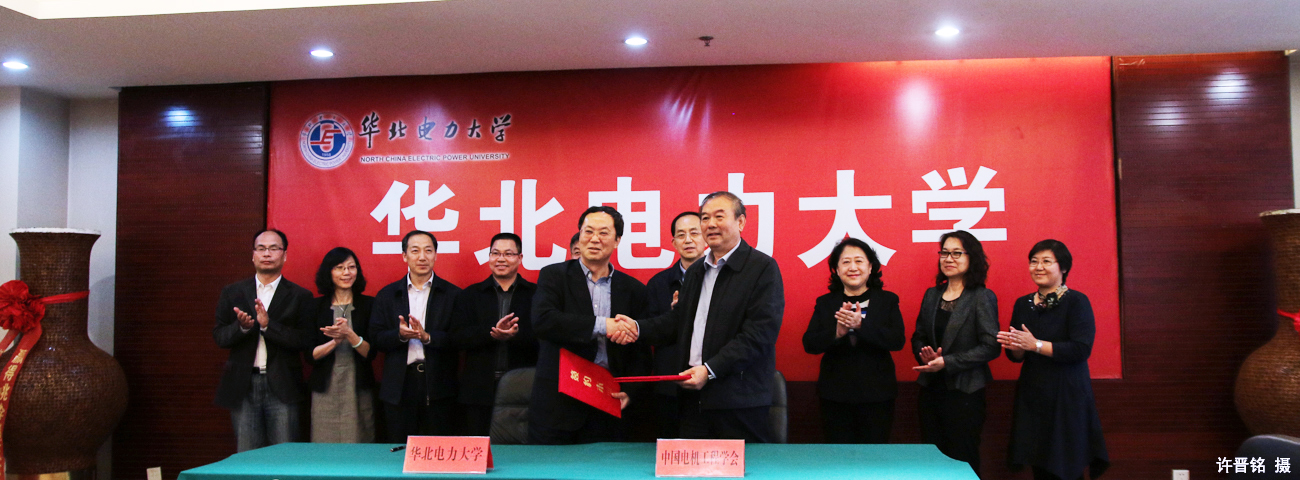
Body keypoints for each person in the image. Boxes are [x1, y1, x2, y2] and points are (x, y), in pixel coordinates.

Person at [634, 191, 784, 442]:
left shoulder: (762, 268)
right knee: (690, 465)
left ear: (741, 222)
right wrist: (636, 328)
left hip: (739, 402)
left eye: (719, 216)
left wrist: (710, 370)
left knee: (743, 467)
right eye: (705, 218)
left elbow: (760, 334)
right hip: (693, 399)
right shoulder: (696, 271)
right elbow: (678, 322)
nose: (710, 224)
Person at [529, 206, 645, 444]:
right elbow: (543, 321)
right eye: (588, 231)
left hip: (609, 400)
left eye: (603, 233)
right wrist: (603, 325)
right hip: (559, 403)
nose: (594, 239)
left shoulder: (633, 289)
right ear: (579, 235)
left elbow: (641, 349)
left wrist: (631, 392)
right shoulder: (554, 276)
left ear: (617, 240)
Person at [997, 240, 1109, 480]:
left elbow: (1080, 349)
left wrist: (1035, 345)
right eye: (1034, 261)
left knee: (1066, 465)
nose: (1038, 267)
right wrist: (1016, 347)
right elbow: (1016, 356)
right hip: (1033, 393)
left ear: (1063, 267)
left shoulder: (1077, 301)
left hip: (1067, 394)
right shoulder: (1023, 304)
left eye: (1046, 261)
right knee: (1038, 462)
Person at [213, 229, 314, 451]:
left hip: (283, 385)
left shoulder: (300, 296)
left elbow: (305, 339)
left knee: (285, 455)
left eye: (273, 248)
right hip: (243, 385)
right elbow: (219, 336)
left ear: (284, 255)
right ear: (253, 255)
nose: (267, 253)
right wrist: (241, 327)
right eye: (261, 248)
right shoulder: (233, 292)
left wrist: (268, 326)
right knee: (248, 455)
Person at [911, 230, 999, 475]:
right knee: (932, 459)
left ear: (972, 258)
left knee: (962, 458)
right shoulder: (932, 295)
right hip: (931, 389)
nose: (949, 259)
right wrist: (925, 355)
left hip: (965, 392)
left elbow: (991, 345)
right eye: (944, 253)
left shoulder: (981, 297)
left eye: (957, 253)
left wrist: (948, 362)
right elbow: (918, 335)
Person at [802, 238, 904, 444]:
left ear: (870, 267)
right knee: (839, 455)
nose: (853, 267)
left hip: (877, 395)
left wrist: (861, 326)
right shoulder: (826, 303)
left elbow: (897, 340)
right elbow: (809, 343)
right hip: (835, 395)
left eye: (859, 261)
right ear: (837, 270)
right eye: (846, 262)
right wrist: (837, 332)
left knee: (874, 455)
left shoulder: (887, 301)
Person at [371, 230, 463, 442]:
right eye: (415, 251)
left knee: (438, 448)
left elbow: (459, 339)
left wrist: (427, 337)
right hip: (399, 385)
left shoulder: (453, 295)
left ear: (435, 255)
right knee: (399, 448)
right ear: (405, 256)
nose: (422, 257)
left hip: (438, 384)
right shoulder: (387, 295)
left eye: (428, 251)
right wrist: (400, 336)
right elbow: (376, 338)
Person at [450, 232, 539, 437]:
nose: (501, 259)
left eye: (508, 254)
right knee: (477, 446)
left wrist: (515, 335)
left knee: (520, 448)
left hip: (523, 388)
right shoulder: (470, 295)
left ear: (520, 258)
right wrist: (492, 333)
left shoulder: (536, 294)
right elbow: (456, 337)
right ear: (489, 257)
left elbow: (545, 335)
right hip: (478, 388)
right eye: (495, 253)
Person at [642, 211, 704, 439]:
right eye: (681, 235)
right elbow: (651, 335)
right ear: (673, 242)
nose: (688, 240)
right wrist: (674, 315)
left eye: (694, 233)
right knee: (670, 450)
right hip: (670, 386)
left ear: (706, 238)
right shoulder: (658, 284)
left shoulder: (722, 280)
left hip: (710, 383)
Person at [307, 247, 377, 443]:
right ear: (329, 272)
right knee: (324, 445)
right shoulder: (314, 307)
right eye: (339, 267)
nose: (346, 273)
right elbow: (310, 355)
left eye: (351, 267)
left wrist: (350, 334)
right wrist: (335, 342)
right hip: (325, 388)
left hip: (358, 386)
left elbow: (371, 353)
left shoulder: (369, 305)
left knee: (360, 441)